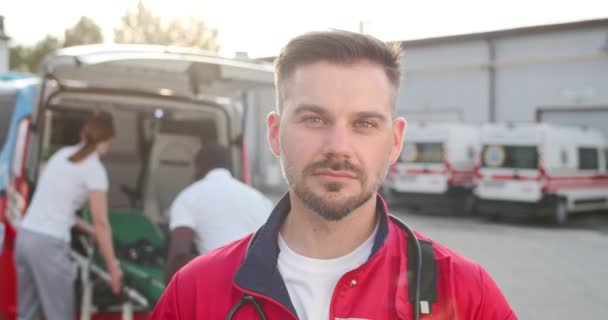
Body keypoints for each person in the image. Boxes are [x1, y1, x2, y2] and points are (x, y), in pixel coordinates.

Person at [152, 31, 517, 320]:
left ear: (395, 141)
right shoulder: (195, 292)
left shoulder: (465, 293)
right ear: (275, 133)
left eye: (364, 123)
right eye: (315, 119)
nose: (338, 146)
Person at [15, 113, 123, 320]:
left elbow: (59, 208)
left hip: (26, 238)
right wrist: (113, 268)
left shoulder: (62, 155)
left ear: (84, 134)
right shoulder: (94, 169)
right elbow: (101, 222)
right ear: (108, 141)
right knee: (60, 315)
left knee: (27, 315)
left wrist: (89, 230)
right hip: (48, 247)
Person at [164, 142, 272, 283]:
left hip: (223, 284)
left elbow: (179, 256)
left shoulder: (188, 197)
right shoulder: (260, 199)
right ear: (228, 165)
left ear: (198, 167)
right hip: (264, 285)